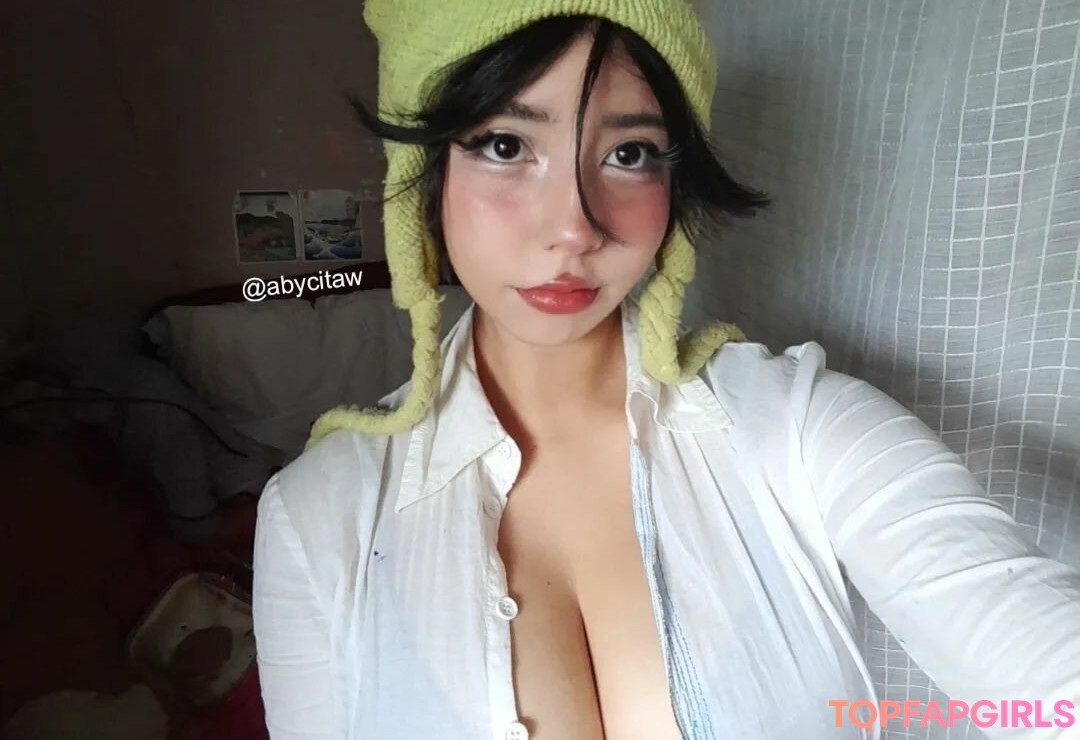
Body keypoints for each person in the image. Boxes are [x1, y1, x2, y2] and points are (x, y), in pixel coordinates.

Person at [251, 1, 1080, 738]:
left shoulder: (801, 431)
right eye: (506, 145)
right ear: (424, 173)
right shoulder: (318, 516)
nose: (574, 227)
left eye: (629, 153)